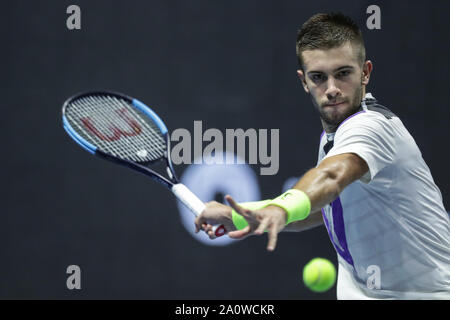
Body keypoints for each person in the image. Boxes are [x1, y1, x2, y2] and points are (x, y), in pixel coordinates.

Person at [194, 12, 450, 299]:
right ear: (304, 81)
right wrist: (240, 216)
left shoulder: (371, 127)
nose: (331, 89)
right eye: (319, 77)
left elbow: (330, 176)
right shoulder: (334, 135)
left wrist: (281, 209)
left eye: (343, 74)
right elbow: (322, 207)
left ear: (365, 72)